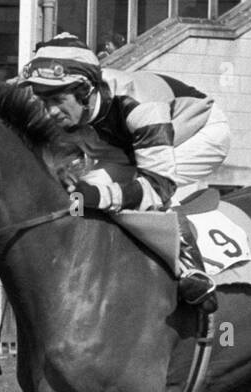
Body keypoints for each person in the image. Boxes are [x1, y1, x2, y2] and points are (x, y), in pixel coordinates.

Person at [17, 34, 220, 310]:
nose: (50, 111)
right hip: (126, 145)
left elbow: (159, 186)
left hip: (197, 130)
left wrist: (100, 196)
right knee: (79, 190)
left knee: (154, 199)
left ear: (85, 90)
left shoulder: (139, 107)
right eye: (43, 100)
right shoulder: (76, 107)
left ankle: (193, 273)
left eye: (57, 99)